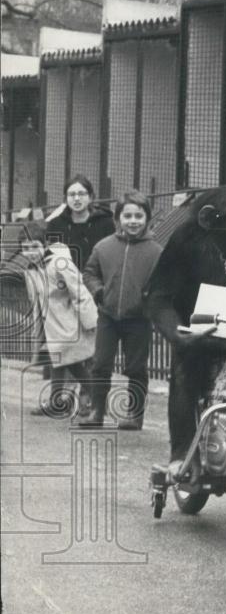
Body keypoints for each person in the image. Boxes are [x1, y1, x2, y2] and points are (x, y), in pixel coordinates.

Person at [77, 191, 163, 429]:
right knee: (100, 365)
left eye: (139, 215)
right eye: (127, 216)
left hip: (139, 320)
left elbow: (163, 282)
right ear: (118, 219)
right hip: (107, 316)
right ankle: (96, 412)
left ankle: (135, 415)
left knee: (136, 368)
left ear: (147, 218)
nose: (133, 221)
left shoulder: (156, 251)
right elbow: (89, 273)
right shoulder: (104, 247)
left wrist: (149, 299)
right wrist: (99, 292)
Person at [18, 220, 97, 417]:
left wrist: (90, 322)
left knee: (73, 363)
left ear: (44, 244)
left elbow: (79, 291)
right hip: (48, 323)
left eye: (34, 246)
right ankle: (56, 402)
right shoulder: (30, 270)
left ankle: (97, 397)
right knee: (56, 362)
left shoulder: (59, 264)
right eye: (25, 248)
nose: (31, 252)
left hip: (66, 322)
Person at [46, 174, 116, 270]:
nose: (77, 198)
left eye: (81, 194)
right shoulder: (55, 225)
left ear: (91, 197)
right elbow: (50, 257)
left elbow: (111, 256)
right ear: (65, 199)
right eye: (72, 194)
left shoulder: (105, 222)